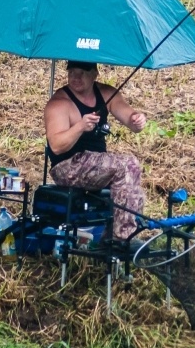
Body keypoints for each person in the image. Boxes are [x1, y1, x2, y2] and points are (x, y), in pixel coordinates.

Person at [44, 60, 147, 245]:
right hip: (66, 166)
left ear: (94, 73)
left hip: (97, 163)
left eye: (82, 72)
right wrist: (80, 127)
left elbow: (130, 119)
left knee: (130, 169)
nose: (76, 77)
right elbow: (57, 146)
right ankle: (123, 238)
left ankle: (114, 236)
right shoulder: (59, 103)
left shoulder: (107, 93)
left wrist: (137, 119)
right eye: (72, 72)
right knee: (126, 164)